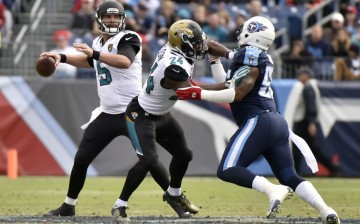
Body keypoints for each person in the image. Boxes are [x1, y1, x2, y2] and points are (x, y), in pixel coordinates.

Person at [176, 16, 340, 224]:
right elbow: (228, 82)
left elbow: (237, 93)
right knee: (290, 176)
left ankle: (273, 190)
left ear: (252, 32)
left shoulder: (249, 54)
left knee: (227, 169)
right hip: (276, 122)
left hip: (258, 119)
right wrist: (215, 58)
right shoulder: (256, 55)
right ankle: (326, 210)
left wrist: (198, 92)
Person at [41, 0, 170, 218]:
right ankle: (68, 205)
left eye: (116, 17)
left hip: (132, 112)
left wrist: (94, 54)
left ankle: (174, 197)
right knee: (81, 159)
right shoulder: (98, 42)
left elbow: (124, 61)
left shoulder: (129, 38)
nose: (112, 20)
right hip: (108, 112)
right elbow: (91, 62)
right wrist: (61, 58)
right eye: (108, 17)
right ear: (99, 19)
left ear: (122, 19)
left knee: (149, 160)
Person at [113, 19, 210, 222]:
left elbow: (210, 45)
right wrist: (228, 88)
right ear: (183, 43)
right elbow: (195, 91)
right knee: (148, 160)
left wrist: (228, 54)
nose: (201, 47)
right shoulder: (173, 67)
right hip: (141, 115)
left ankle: (173, 194)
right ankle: (119, 205)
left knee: (184, 155)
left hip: (162, 115)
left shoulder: (177, 48)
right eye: (197, 43)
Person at [293, 68, 340, 176]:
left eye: (301, 74)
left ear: (307, 75)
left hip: (304, 122)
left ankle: (295, 171)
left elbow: (310, 106)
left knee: (299, 147)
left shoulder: (308, 87)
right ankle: (332, 167)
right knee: (310, 148)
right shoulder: (312, 86)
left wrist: (311, 122)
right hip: (306, 121)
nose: (299, 77)